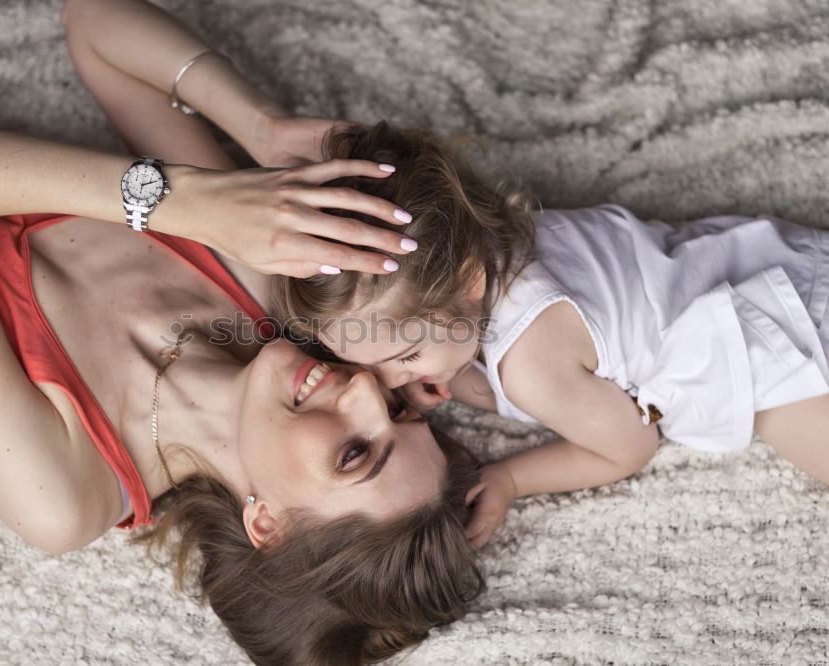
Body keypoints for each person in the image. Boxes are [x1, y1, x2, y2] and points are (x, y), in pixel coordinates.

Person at [0, 3, 486, 663]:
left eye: (354, 454)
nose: (366, 394)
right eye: (398, 411)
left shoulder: (60, 491)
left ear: (268, 522)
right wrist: (257, 124)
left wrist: (186, 200)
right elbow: (94, 24)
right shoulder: (254, 281)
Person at [273, 120, 829, 550]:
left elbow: (629, 446)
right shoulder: (503, 237)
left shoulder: (530, 368)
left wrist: (513, 478)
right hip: (778, 258)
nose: (384, 383)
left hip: (774, 343)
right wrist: (440, 369)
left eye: (406, 355)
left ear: (468, 282)